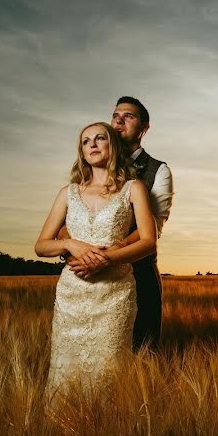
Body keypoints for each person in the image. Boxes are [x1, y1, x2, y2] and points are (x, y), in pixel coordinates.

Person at [35, 121, 157, 398]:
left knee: (110, 371)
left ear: (112, 145)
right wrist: (69, 244)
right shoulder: (67, 193)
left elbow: (149, 242)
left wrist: (106, 259)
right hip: (72, 295)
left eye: (99, 138)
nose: (91, 144)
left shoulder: (133, 188)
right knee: (67, 372)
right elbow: (41, 246)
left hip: (114, 294)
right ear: (81, 151)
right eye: (85, 140)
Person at [65, 97, 173, 351]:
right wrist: (78, 249)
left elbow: (155, 225)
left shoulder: (158, 170)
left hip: (137, 272)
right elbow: (69, 214)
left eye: (129, 116)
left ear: (145, 127)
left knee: (140, 352)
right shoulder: (91, 164)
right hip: (84, 273)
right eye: (115, 115)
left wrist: (113, 252)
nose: (119, 120)